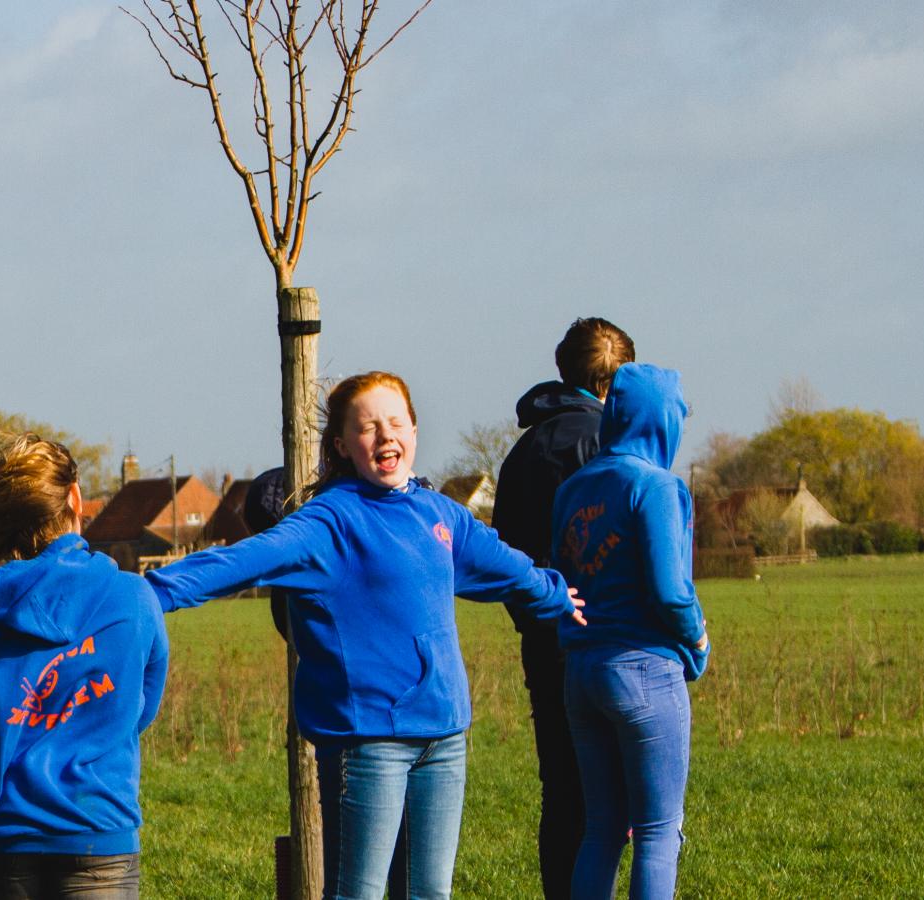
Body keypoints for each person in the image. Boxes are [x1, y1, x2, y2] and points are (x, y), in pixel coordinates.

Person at [144, 372, 584, 900]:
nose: (385, 436)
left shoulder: (440, 515)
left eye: (396, 422)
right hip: (367, 741)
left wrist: (556, 596)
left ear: (415, 432)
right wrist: (150, 594)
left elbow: (507, 566)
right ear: (342, 445)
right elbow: (240, 562)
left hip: (443, 737)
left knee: (429, 894)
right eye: (368, 427)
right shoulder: (330, 522)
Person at [0, 436, 168, 900]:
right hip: (100, 838)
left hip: (10, 852)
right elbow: (141, 706)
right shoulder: (135, 600)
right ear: (75, 498)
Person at [550, 363, 709, 900]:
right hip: (645, 668)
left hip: (581, 671)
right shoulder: (657, 486)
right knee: (658, 833)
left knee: (602, 829)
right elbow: (671, 590)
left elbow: (560, 577)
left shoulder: (573, 488)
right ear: (663, 420)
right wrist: (698, 638)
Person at [490, 317, 635, 899]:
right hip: (606, 641)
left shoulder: (522, 452)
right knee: (618, 800)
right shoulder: (610, 447)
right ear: (619, 383)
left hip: (543, 638)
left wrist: (535, 620)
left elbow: (504, 555)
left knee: (562, 789)